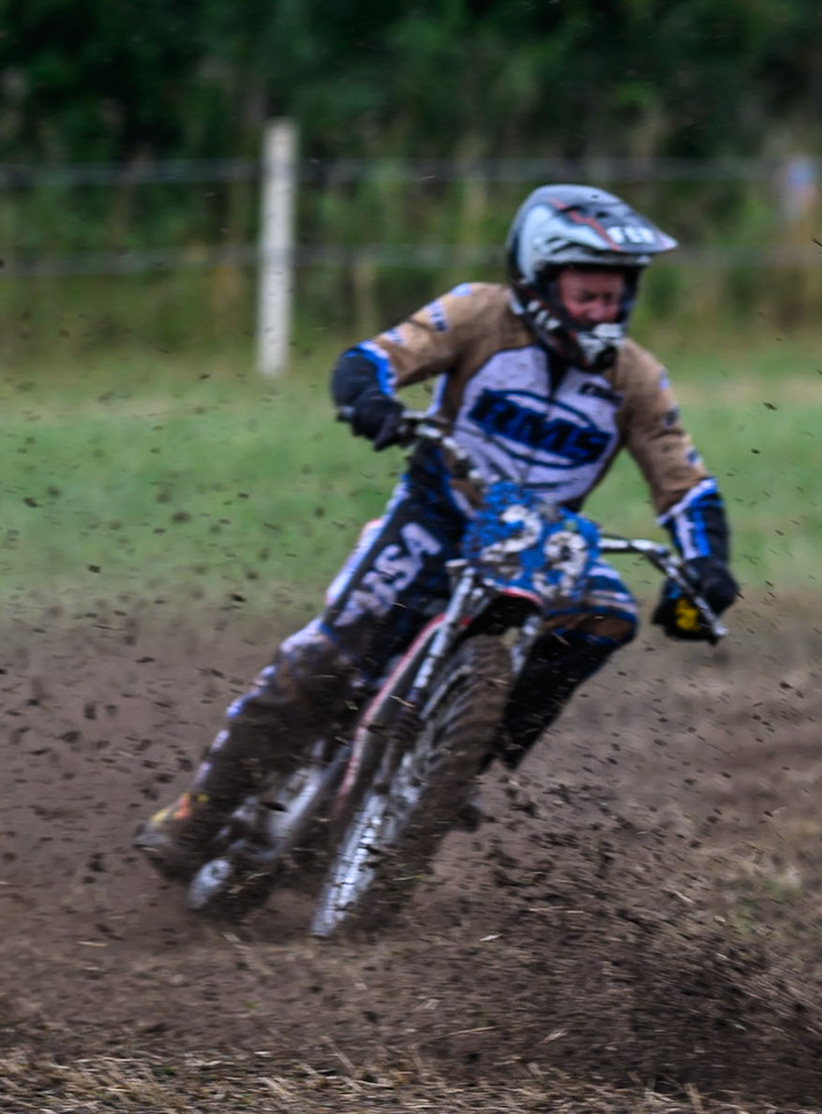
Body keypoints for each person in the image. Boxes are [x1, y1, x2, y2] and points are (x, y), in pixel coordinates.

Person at [137, 185, 738, 875]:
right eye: (586, 296)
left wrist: (706, 563)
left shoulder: (636, 376)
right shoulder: (479, 313)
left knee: (606, 613)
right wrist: (369, 399)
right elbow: (376, 357)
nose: (602, 312)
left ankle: (461, 755)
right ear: (538, 279)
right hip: (438, 512)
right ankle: (199, 811)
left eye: (614, 297)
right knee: (322, 661)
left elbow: (685, 483)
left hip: (537, 539)